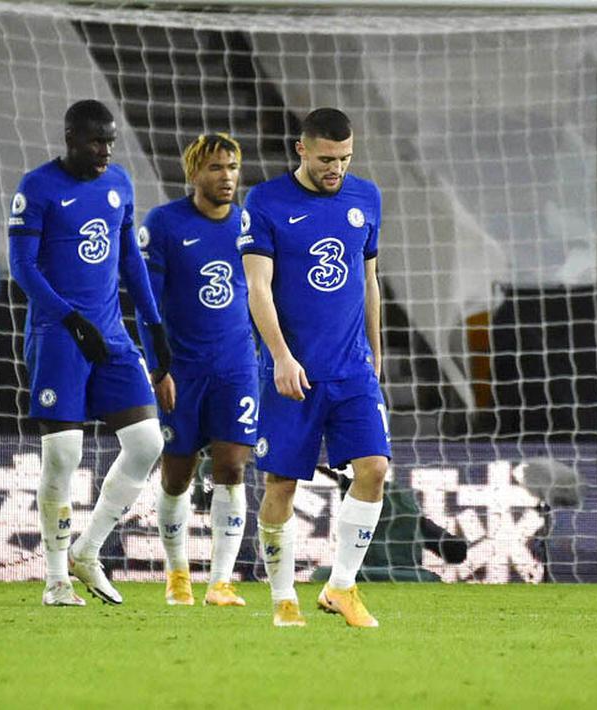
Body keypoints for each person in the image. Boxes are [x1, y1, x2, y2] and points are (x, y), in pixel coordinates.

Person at [8, 99, 171, 606]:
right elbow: (22, 267)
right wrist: (70, 319)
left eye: (110, 142)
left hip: (111, 334)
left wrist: (154, 327)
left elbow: (130, 261)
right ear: (71, 139)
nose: (104, 151)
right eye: (96, 141)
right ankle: (56, 578)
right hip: (58, 334)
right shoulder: (37, 188)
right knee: (63, 455)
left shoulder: (119, 183)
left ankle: (88, 549)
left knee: (146, 443)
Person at [239, 107, 389, 628]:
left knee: (374, 470)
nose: (337, 169)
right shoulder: (265, 201)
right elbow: (257, 287)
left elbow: (369, 281)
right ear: (301, 149)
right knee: (281, 485)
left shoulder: (366, 197)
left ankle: (341, 587)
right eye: (327, 159)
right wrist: (280, 356)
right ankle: (283, 598)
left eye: (345, 158)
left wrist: (376, 354)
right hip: (292, 373)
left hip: (352, 369)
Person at [137, 133, 255, 607]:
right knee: (177, 475)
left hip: (236, 366)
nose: (226, 177)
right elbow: (147, 305)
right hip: (181, 370)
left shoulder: (248, 225)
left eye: (232, 167)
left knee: (232, 465)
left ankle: (221, 581)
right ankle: (177, 571)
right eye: (215, 168)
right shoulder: (164, 224)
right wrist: (158, 367)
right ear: (193, 173)